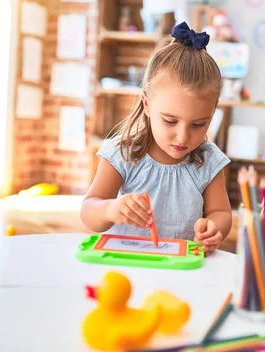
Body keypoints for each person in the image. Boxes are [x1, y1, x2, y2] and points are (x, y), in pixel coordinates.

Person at [81, 22, 232, 255]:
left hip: (183, 268)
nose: (183, 136)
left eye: (199, 124)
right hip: (126, 267)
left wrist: (214, 228)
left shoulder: (208, 160)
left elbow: (221, 212)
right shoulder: (123, 152)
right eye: (170, 121)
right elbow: (89, 212)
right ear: (147, 104)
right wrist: (111, 209)